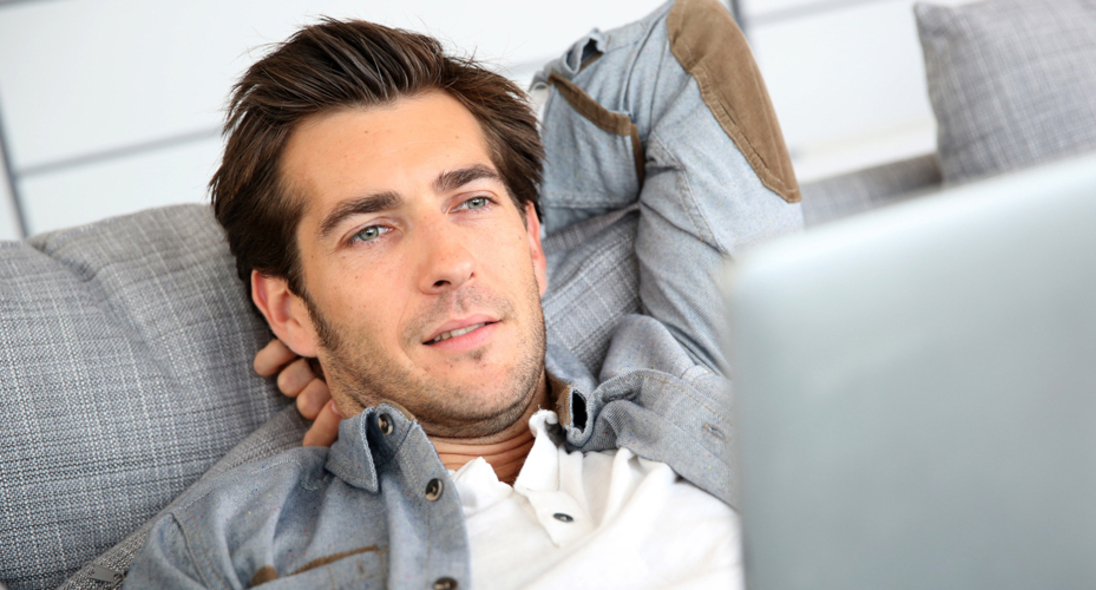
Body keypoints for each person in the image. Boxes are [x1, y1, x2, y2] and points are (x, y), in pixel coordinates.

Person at [124, 0, 802, 587]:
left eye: (473, 201)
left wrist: (506, 162)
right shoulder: (231, 545)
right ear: (288, 310)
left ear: (532, 242)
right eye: (370, 231)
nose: (450, 263)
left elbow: (683, 47)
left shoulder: (685, 374)